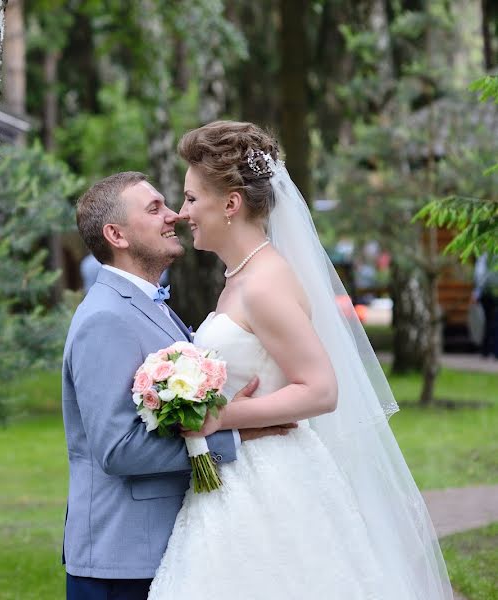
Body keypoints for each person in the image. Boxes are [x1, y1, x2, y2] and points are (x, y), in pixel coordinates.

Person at [148, 121, 451, 599]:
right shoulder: (239, 278)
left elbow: (321, 389)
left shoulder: (263, 284)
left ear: (230, 204)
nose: (183, 212)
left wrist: (221, 415)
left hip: (272, 483)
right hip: (239, 475)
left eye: (190, 198)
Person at [61, 172, 293, 600]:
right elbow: (118, 450)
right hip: (124, 558)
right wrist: (234, 435)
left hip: (168, 549)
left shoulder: (151, 304)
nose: (174, 215)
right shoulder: (105, 319)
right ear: (117, 234)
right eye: (154, 209)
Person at [473, 253, 498, 358]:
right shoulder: (484, 258)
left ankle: (486, 351)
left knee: (488, 322)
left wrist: (477, 292)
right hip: (489, 294)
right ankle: (491, 350)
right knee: (492, 322)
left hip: (486, 294)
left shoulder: (484, 258)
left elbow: (479, 276)